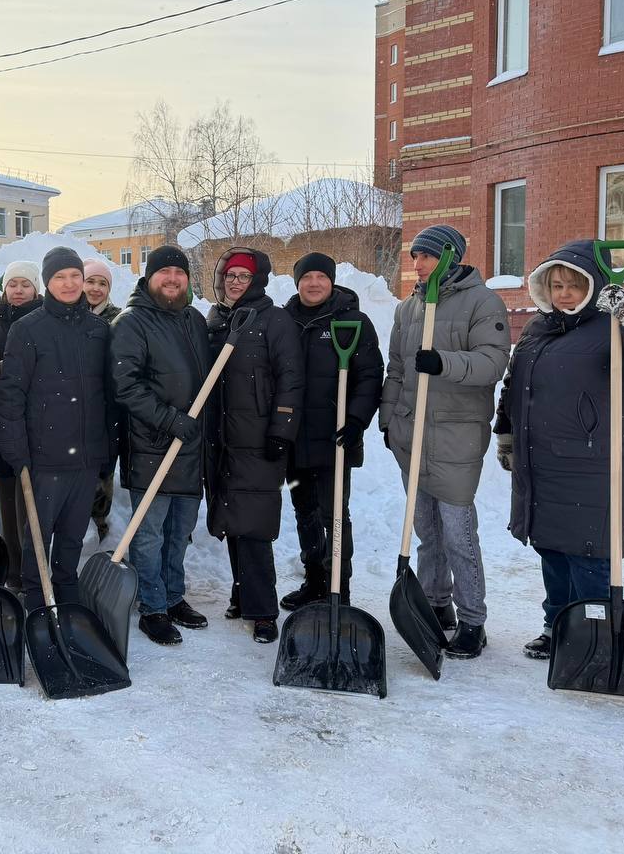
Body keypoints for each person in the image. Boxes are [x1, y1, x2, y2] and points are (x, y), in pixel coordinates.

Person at [493, 240, 624, 659]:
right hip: (543, 458)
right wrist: (507, 432)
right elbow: (516, 384)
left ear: (594, 286)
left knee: (589, 551)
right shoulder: (539, 327)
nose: (564, 293)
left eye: (574, 284)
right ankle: (557, 626)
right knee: (551, 548)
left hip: (595, 460)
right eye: (556, 285)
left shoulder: (611, 326)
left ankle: (594, 636)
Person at [379, 225, 510, 659]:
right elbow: (396, 368)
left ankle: (473, 620)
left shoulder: (483, 302)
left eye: (427, 257)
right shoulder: (407, 309)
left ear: (451, 257)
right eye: (414, 257)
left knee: (458, 534)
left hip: (456, 434)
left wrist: (444, 363)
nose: (417, 265)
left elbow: (493, 363)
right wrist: (388, 417)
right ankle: (437, 605)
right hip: (411, 433)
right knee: (426, 532)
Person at [0, 247, 115, 609]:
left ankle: (67, 593)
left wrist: (108, 445)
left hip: (85, 455)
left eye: (74, 276)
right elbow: (10, 394)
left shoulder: (99, 331)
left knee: (72, 537)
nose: (69, 283)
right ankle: (36, 598)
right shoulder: (27, 329)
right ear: (47, 283)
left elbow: (109, 394)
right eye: (60, 277)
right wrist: (15, 449)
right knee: (36, 537)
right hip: (43, 457)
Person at [111, 245, 211, 645]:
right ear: (149, 278)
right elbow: (126, 386)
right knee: (149, 533)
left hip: (190, 447)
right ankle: (152, 608)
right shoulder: (131, 323)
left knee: (179, 532)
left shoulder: (195, 320)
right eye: (164, 272)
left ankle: (173, 596)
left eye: (179, 273)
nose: (172, 279)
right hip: (152, 445)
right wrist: (171, 420)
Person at [203, 249, 304, 644]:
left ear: (258, 280)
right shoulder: (217, 319)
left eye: (244, 276)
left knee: (255, 523)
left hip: (259, 437)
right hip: (222, 438)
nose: (234, 282)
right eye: (230, 275)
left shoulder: (274, 319)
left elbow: (291, 377)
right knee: (231, 518)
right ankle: (242, 592)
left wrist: (282, 427)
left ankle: (263, 610)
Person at [280, 252, 384, 612]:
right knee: (303, 511)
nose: (313, 283)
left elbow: (370, 376)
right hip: (293, 442)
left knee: (334, 516)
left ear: (331, 281)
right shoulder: (283, 321)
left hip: (335, 440)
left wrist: (356, 421)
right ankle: (314, 581)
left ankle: (340, 588)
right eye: (306, 277)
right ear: (297, 282)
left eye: (321, 277)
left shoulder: (353, 322)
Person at [0, 261, 44, 591]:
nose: (18, 290)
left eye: (25, 284)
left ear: (37, 289)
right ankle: (14, 574)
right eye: (12, 284)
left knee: (32, 507)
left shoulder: (44, 324)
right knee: (8, 506)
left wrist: (10, 369)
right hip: (0, 427)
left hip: (37, 428)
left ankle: (35, 574)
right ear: (4, 290)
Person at [83, 258, 121, 544]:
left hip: (107, 408)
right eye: (90, 281)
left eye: (102, 283)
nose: (96, 288)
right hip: (72, 409)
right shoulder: (67, 316)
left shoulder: (119, 319)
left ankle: (100, 528)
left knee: (102, 472)